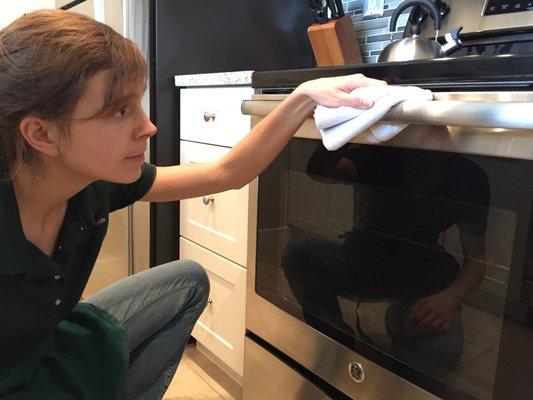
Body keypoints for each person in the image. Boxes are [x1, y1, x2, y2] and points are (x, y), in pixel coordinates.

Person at [0, 9, 387, 400]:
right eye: (119, 110)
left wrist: (303, 96)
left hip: (45, 348)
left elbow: (226, 172)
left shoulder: (94, 184)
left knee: (187, 281)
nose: (148, 126)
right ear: (42, 134)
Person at [282, 141, 490, 374]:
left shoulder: (470, 177)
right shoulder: (377, 154)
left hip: (421, 279)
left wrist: (449, 297)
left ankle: (400, 345)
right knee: (300, 253)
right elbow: (319, 170)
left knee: (438, 356)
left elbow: (476, 259)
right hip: (361, 261)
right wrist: (350, 125)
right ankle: (335, 341)